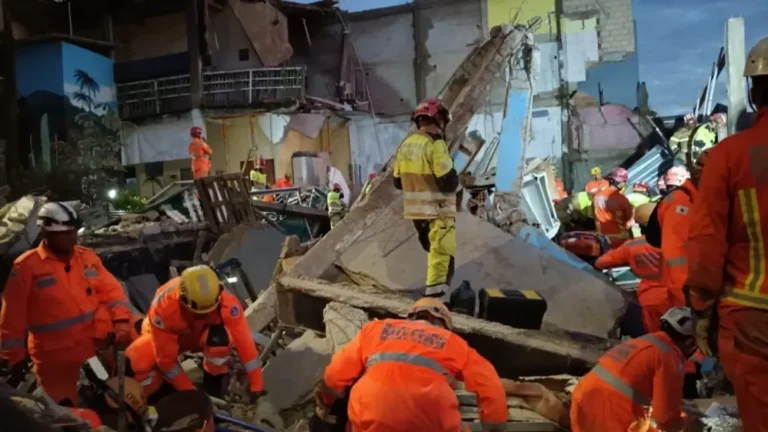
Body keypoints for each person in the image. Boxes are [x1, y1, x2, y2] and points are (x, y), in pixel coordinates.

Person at [684, 36, 768, 431]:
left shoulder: (730, 157)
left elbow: (705, 242)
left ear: (755, 93)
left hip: (754, 317)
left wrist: (702, 307)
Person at [0, 202, 134, 404]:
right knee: (64, 412)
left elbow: (112, 291)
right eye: (64, 234)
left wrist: (122, 320)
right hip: (53, 363)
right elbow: (12, 317)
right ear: (46, 233)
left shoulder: (87, 258)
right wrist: (14, 358)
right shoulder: (26, 267)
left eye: (73, 232)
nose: (71, 238)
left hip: (91, 353)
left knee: (106, 395)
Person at [315, 298, 508, 432]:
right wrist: (494, 425)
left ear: (411, 315)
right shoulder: (453, 342)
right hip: (429, 419)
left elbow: (337, 372)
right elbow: (489, 383)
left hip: (372, 413)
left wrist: (326, 401)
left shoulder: (376, 329)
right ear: (442, 322)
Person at [125, 265, 264, 402]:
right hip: (160, 337)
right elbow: (166, 360)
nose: (205, 316)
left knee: (219, 340)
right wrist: (191, 393)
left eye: (209, 312)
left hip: (198, 335)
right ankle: (164, 399)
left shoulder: (226, 301)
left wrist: (257, 384)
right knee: (135, 364)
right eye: (198, 314)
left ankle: (213, 389)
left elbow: (244, 342)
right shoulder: (163, 308)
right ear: (182, 300)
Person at [570, 307, 696, 432]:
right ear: (690, 342)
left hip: (582, 406)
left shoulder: (643, 342)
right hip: (611, 414)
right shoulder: (669, 357)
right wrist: (685, 423)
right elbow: (665, 420)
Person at [394, 97, 459, 298]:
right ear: (438, 120)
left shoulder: (406, 145)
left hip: (415, 210)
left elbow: (397, 182)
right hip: (436, 209)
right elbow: (448, 182)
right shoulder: (435, 145)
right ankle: (435, 301)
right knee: (442, 254)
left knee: (432, 252)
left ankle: (434, 296)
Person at [595, 203, 667, 333]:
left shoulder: (633, 245)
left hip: (651, 298)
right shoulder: (679, 240)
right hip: (680, 294)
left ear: (639, 225)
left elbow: (601, 263)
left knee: (658, 336)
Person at [593, 167, 633, 248]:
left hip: (601, 239)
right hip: (620, 240)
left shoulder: (596, 197)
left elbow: (594, 215)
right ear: (621, 183)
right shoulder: (622, 199)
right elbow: (630, 220)